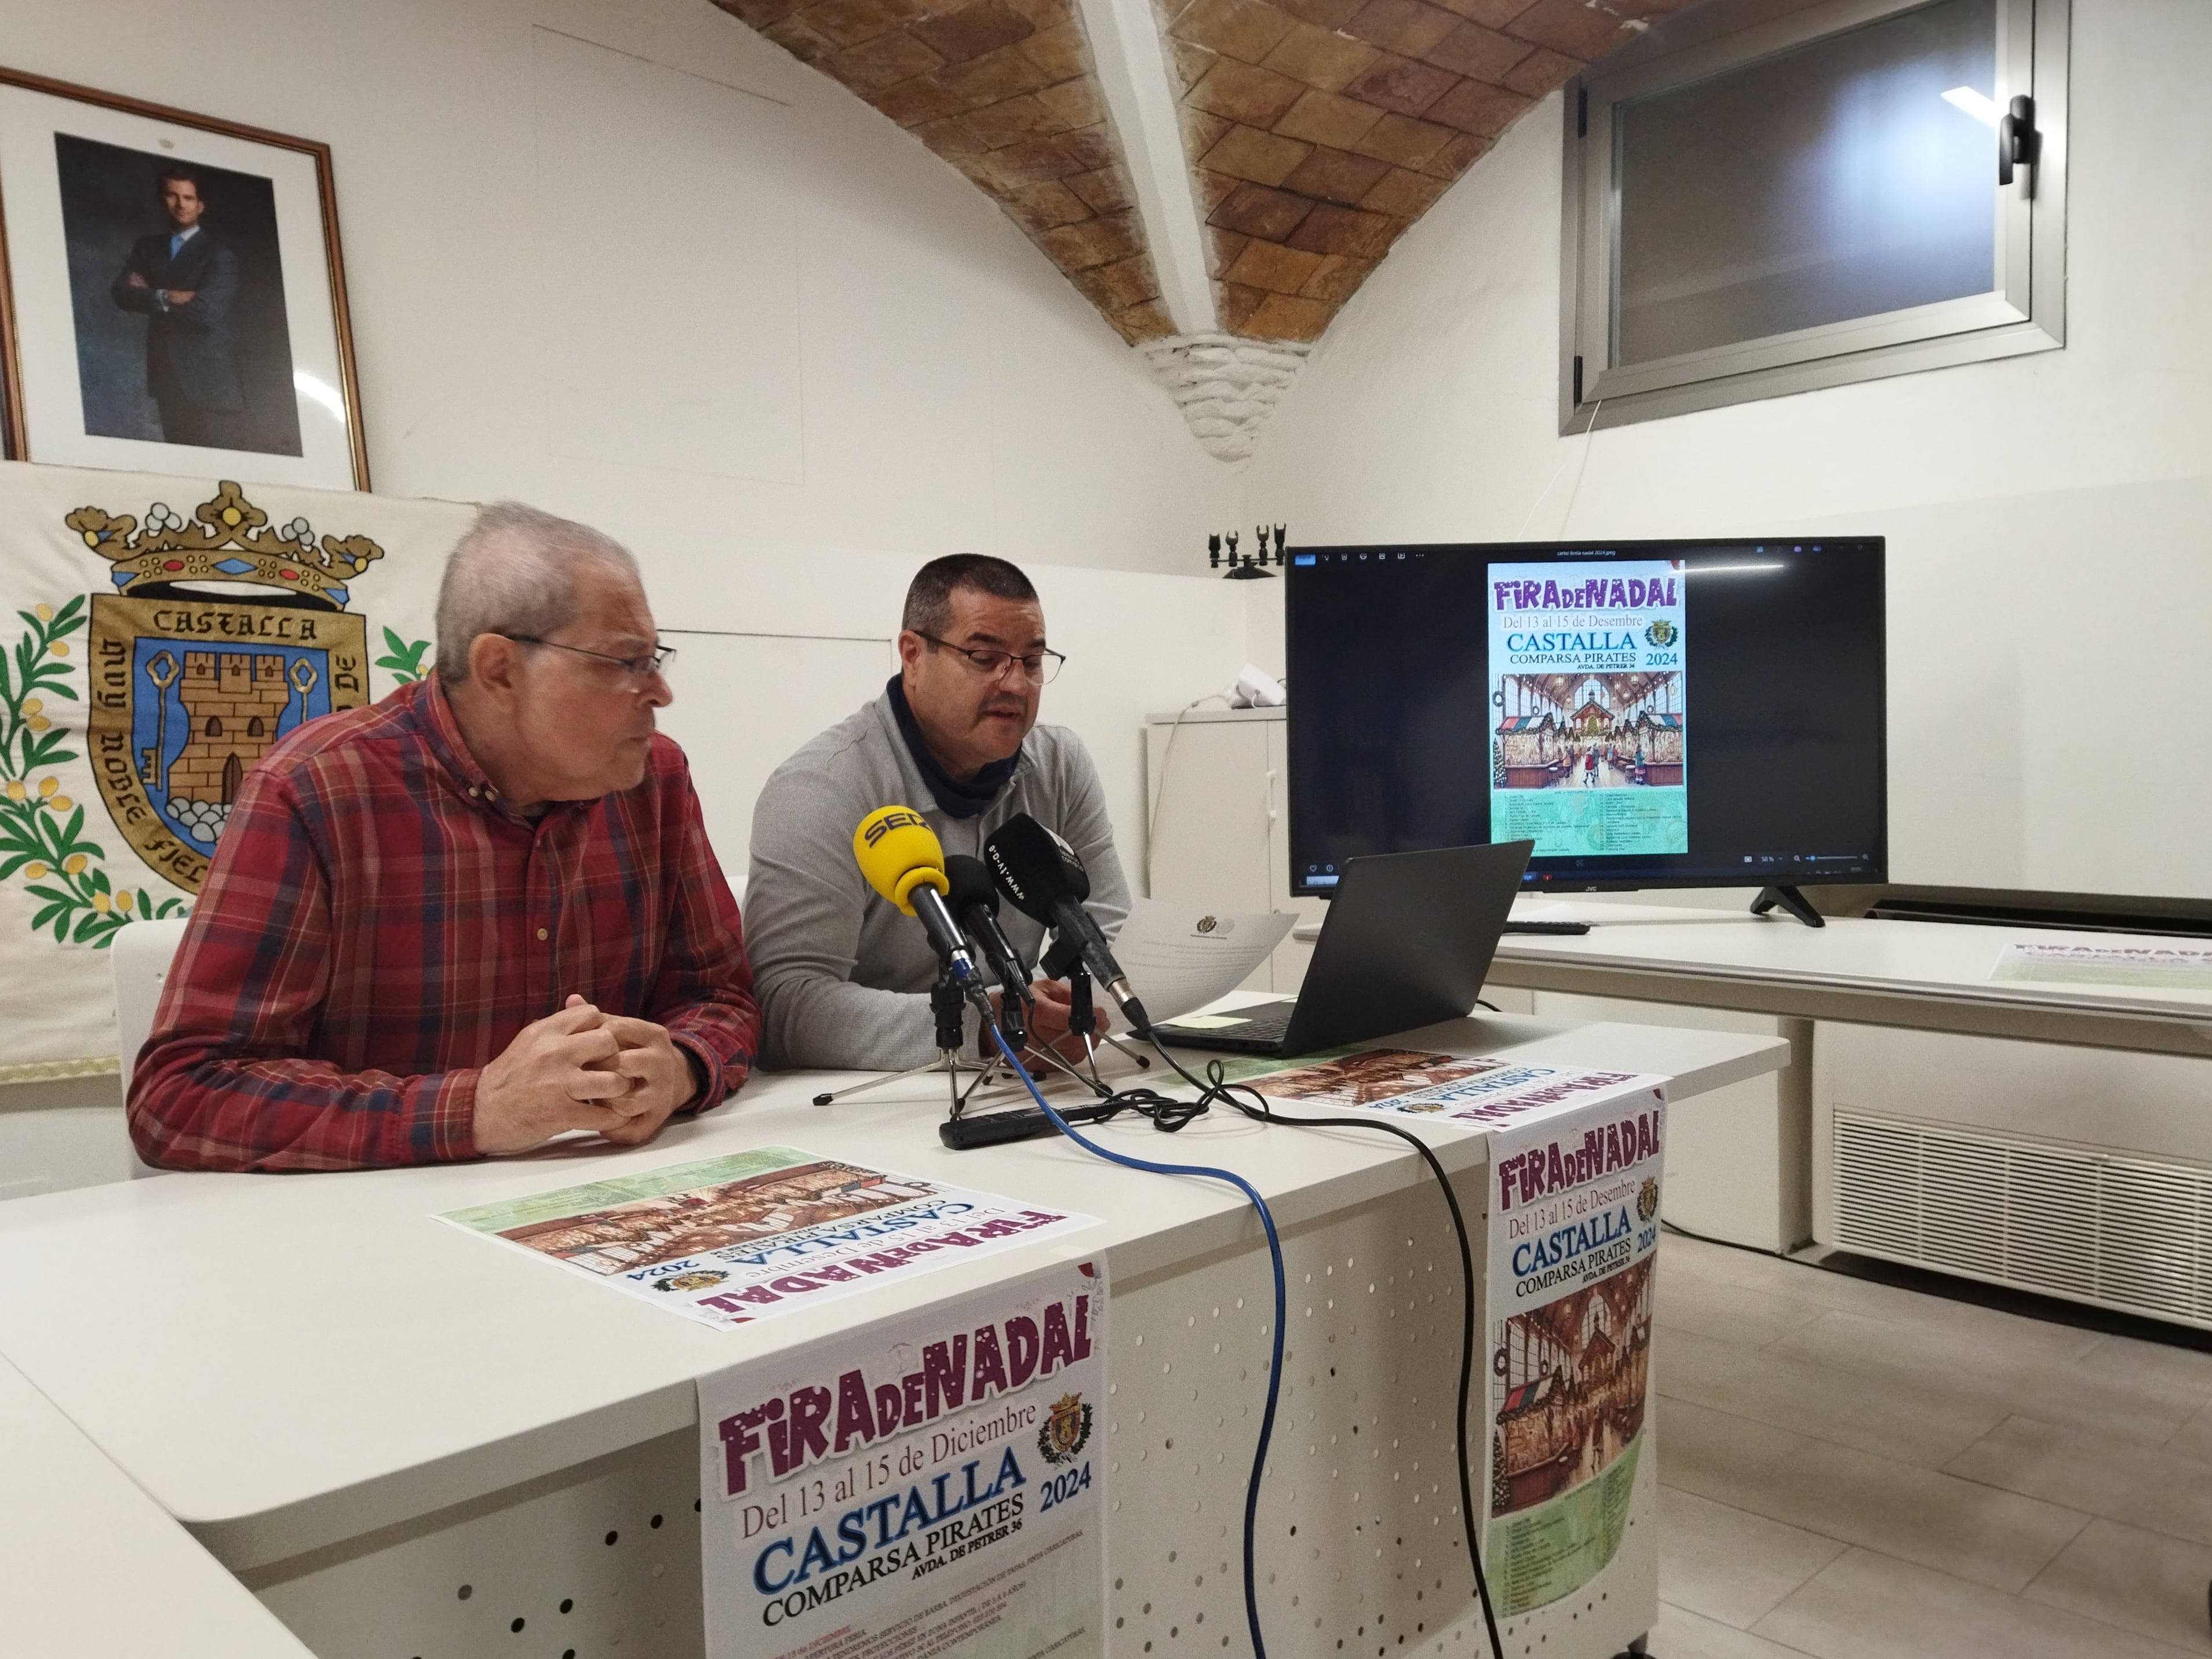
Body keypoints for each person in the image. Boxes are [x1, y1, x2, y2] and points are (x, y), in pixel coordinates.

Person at [129, 504, 760, 1172]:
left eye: (654, 658)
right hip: (380, 1232)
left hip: (609, 1206)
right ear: (499, 670)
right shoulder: (316, 790)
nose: (660, 692)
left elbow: (720, 998)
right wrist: (479, 1109)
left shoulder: (652, 779)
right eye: (624, 662)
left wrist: (682, 1067)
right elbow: (181, 1096)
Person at [746, 554, 1129, 1072]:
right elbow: (785, 1005)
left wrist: (1053, 1007)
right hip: (872, 1102)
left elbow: (1105, 923)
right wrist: (990, 1025)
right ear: (912, 654)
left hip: (1034, 1080)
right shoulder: (821, 788)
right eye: (983, 656)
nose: (1015, 684)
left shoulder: (1059, 765)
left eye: (1032, 662)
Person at [109, 164, 246, 449]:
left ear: (200, 205)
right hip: (166, 376)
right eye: (172, 196)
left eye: (188, 198)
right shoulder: (148, 248)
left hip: (209, 382)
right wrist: (169, 295)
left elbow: (205, 312)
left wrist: (148, 293)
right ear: (163, 200)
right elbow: (122, 294)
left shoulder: (219, 255)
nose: (180, 204)